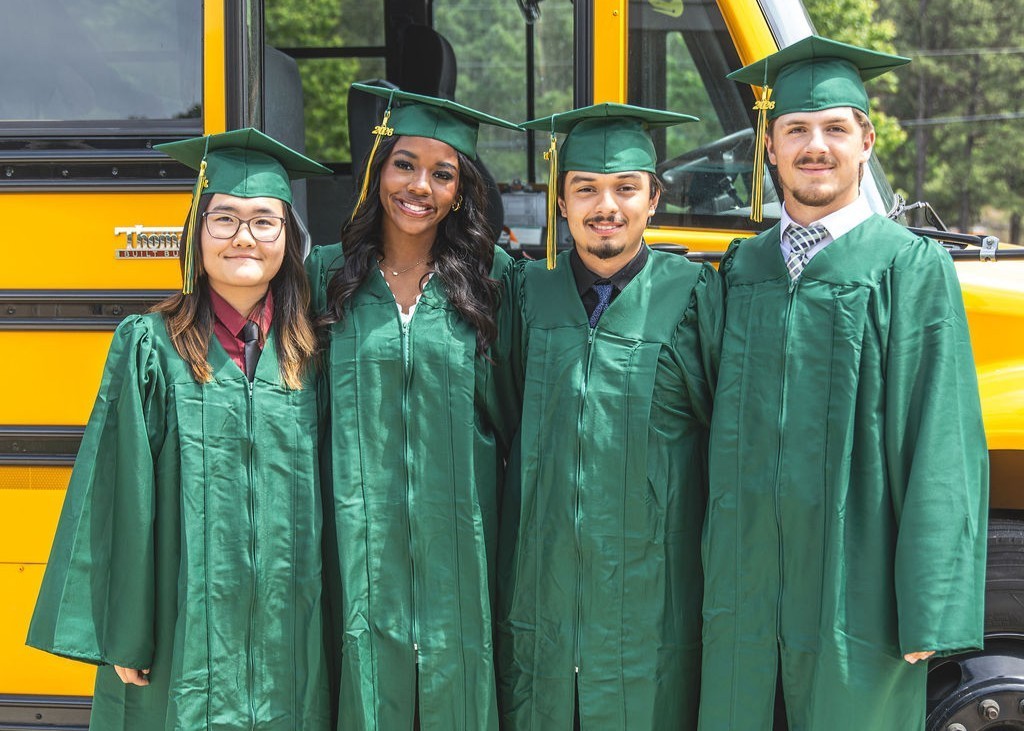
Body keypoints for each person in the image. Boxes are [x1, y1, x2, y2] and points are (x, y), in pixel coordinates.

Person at [698, 36, 989, 731]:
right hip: (744, 595)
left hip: (858, 597)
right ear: (770, 147)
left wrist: (932, 607)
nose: (814, 146)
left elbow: (942, 441)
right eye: (796, 129)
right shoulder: (742, 271)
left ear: (867, 140)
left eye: (834, 128)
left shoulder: (909, 267)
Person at [27, 128, 333, 730]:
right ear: (197, 233)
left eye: (264, 221)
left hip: (292, 632)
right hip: (180, 630)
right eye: (224, 219)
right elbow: (117, 494)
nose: (243, 236)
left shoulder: (316, 354)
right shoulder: (151, 347)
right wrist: (124, 630)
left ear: (288, 241)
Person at [496, 103, 723, 730]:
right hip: (543, 592)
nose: (606, 206)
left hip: (651, 594)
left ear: (653, 198)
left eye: (625, 189)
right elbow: (504, 415)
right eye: (586, 189)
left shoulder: (695, 295)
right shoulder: (526, 295)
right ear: (561, 200)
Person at [306, 84, 520, 731]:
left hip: (458, 543)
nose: (419, 185)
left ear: (461, 191)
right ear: (378, 171)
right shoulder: (326, 275)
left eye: (442, 172)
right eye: (405, 164)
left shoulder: (494, 282)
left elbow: (512, 416)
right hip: (356, 544)